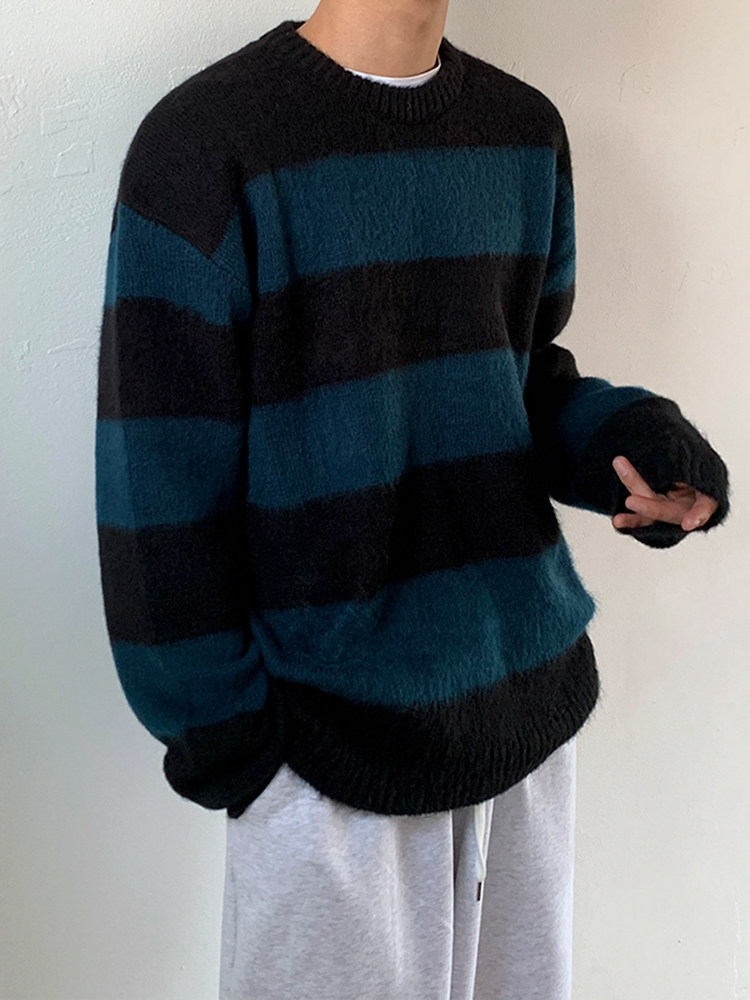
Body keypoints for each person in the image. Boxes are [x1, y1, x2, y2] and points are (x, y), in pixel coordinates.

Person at [94, 2, 731, 998]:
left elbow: (517, 381)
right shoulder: (205, 148)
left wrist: (636, 445)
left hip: (525, 725)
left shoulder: (523, 132)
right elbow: (157, 480)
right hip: (324, 757)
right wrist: (232, 743)